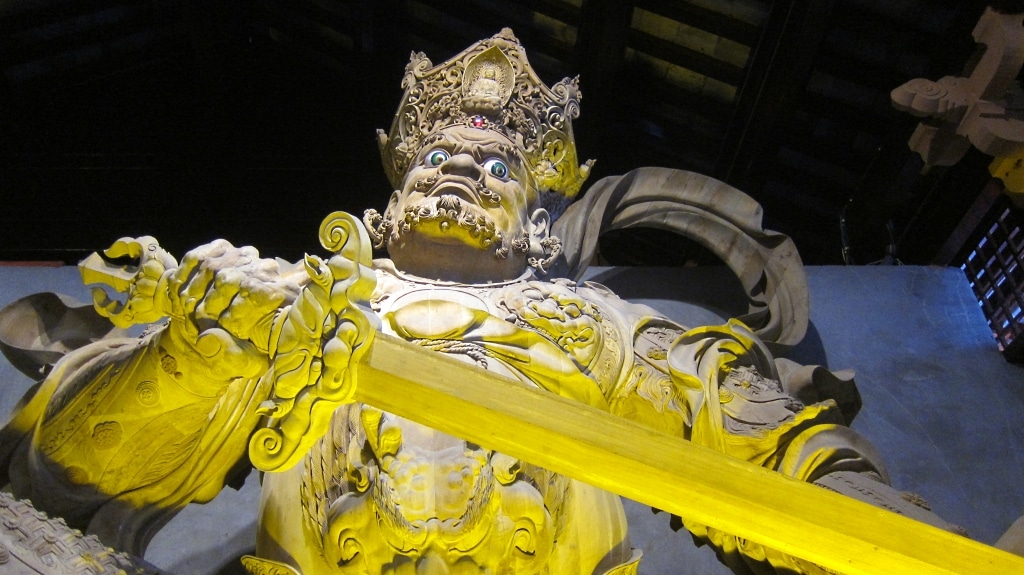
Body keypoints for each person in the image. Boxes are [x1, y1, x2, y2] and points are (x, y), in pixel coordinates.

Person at [0, 30, 956, 575]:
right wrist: (197, 353)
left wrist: (897, 541)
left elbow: (776, 453)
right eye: (439, 158)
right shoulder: (293, 304)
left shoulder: (606, 332)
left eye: (497, 163)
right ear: (390, 192)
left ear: (536, 212)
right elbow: (67, 471)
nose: (460, 169)